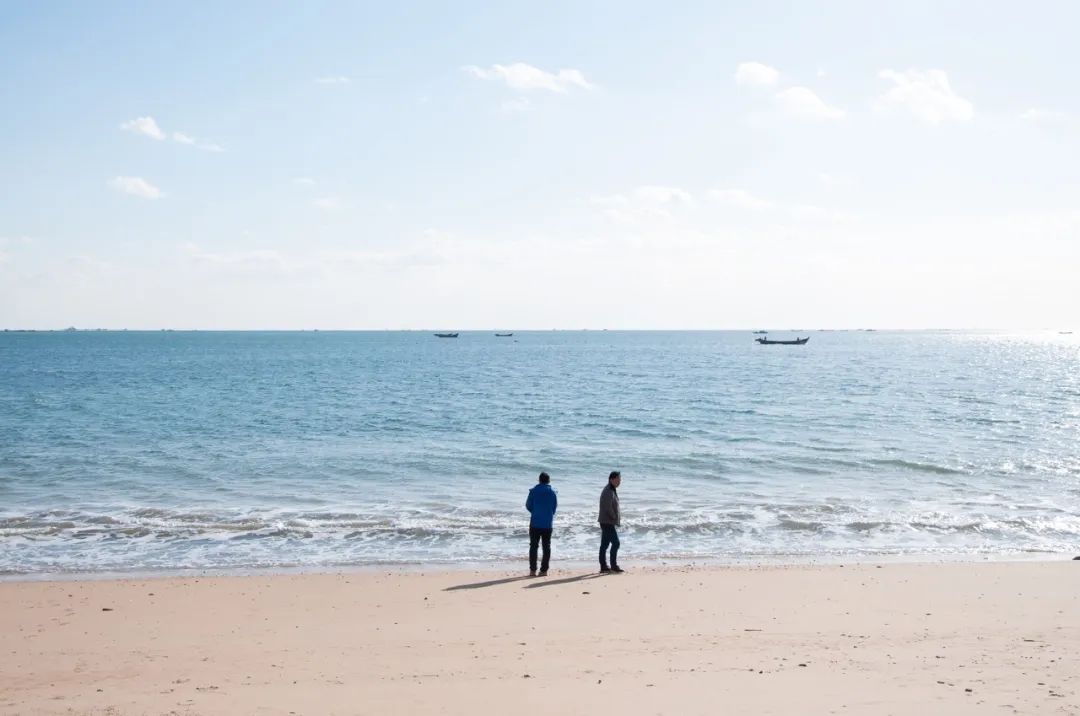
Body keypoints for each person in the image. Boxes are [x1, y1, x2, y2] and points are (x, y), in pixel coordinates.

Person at [525, 471, 557, 577]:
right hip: (547, 523)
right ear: (548, 481)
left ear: (539, 480)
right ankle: (544, 570)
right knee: (546, 547)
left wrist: (535, 512)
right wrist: (547, 514)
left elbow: (528, 505)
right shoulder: (553, 492)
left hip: (535, 522)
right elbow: (554, 508)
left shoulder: (533, 491)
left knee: (533, 546)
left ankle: (533, 570)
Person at [598, 470, 624, 573]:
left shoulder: (611, 489)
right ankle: (613, 565)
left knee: (604, 544)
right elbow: (608, 508)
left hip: (607, 521)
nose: (619, 482)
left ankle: (604, 566)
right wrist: (614, 517)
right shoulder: (608, 490)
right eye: (618, 479)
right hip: (607, 522)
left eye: (620, 479)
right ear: (611, 479)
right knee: (616, 543)